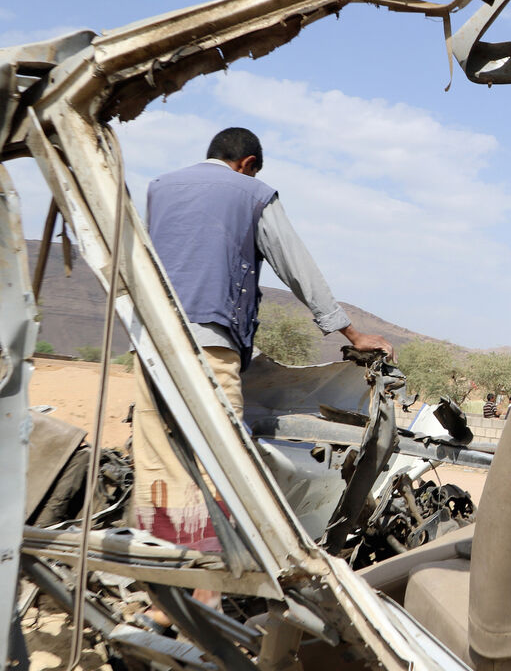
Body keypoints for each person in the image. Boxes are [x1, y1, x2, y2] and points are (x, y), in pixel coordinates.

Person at [132, 127, 393, 616]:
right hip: (209, 343)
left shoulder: (160, 186)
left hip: (150, 341)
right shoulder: (253, 192)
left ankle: (157, 591)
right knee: (222, 458)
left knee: (158, 461)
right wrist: (349, 333)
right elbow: (295, 264)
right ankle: (207, 594)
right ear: (248, 163)